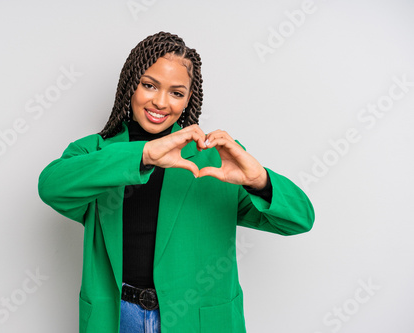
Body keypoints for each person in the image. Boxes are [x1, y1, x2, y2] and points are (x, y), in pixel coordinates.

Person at [38, 31, 315, 333]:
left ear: (188, 100)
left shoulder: (216, 160)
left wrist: (259, 180)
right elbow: (51, 186)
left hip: (196, 321)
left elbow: (300, 220)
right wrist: (143, 154)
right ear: (131, 84)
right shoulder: (96, 152)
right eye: (149, 85)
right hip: (118, 317)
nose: (160, 101)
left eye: (176, 92)